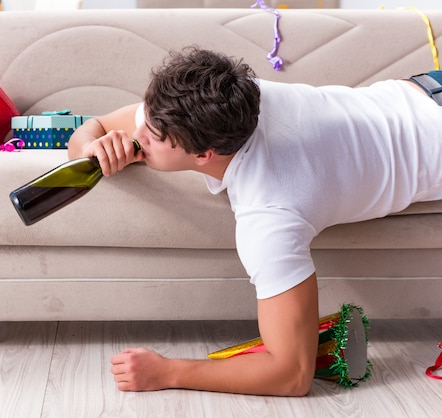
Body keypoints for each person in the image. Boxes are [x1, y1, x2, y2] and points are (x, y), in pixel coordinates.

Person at [66, 46, 442, 396]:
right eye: (145, 118)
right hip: (426, 88)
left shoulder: (270, 212)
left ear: (204, 155)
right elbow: (96, 125)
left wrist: (169, 372)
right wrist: (90, 149)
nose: (135, 134)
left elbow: (292, 375)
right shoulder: (232, 97)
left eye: (153, 135)